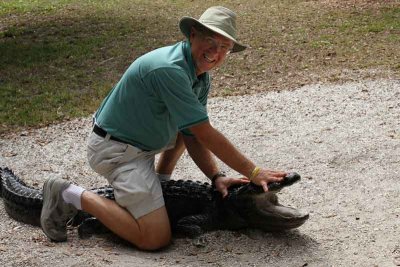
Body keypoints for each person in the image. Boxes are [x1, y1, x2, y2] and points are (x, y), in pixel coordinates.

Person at [40, 6, 288, 251]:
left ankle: (161, 181)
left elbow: (192, 134)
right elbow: (205, 132)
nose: (216, 51)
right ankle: (68, 193)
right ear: (193, 35)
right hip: (117, 153)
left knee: (188, 125)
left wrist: (216, 177)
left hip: (137, 147)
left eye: (224, 46)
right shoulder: (170, 70)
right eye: (210, 40)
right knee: (155, 239)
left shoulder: (199, 74)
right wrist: (253, 171)